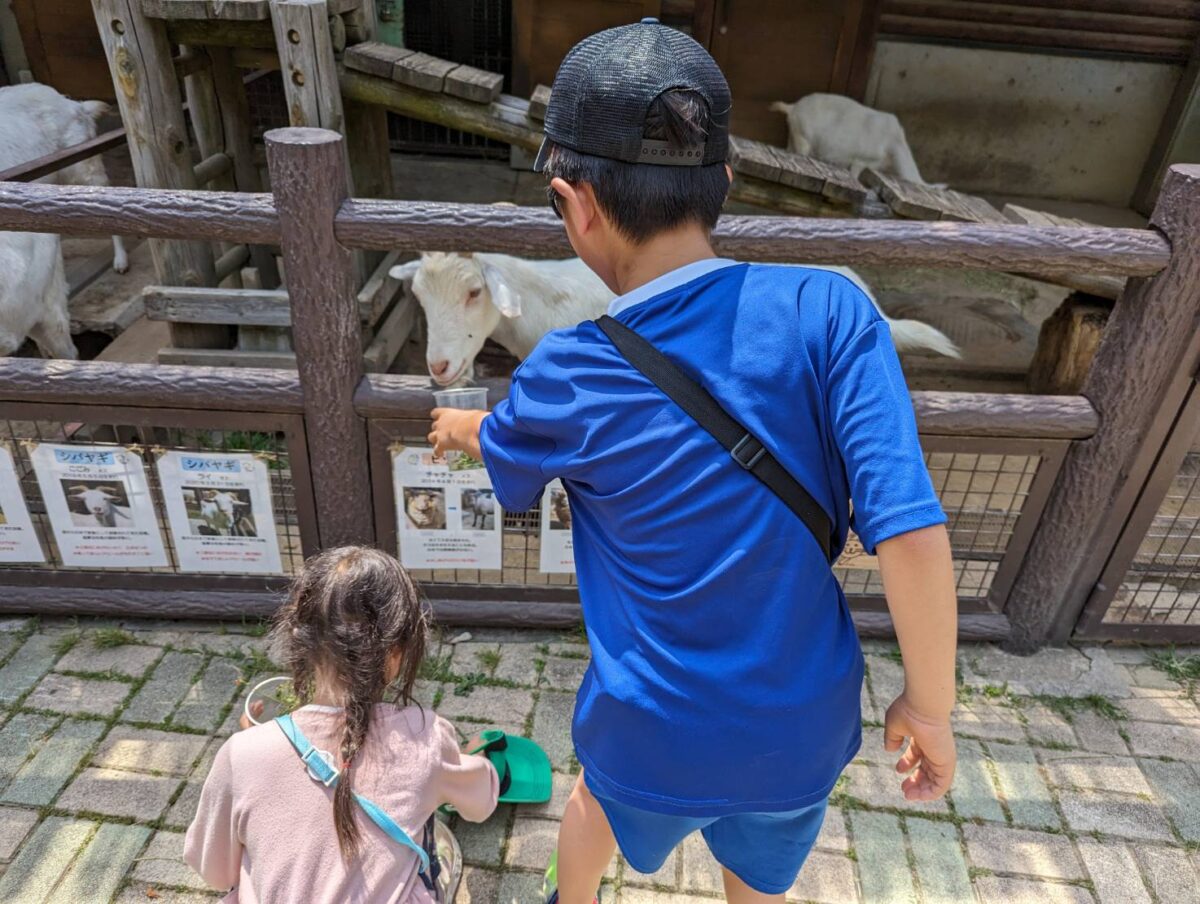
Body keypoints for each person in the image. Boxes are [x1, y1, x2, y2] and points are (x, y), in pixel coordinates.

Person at [428, 19, 958, 904]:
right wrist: (929, 709)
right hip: (800, 726)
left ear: (577, 205)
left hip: (650, 729)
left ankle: (574, 898)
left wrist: (461, 428)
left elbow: (510, 445)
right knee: (758, 875)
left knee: (596, 796)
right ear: (725, 181)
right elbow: (909, 530)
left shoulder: (566, 366)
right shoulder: (830, 311)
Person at [184, 546, 499, 903]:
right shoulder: (423, 735)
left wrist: (257, 748)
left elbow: (215, 872)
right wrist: (467, 759)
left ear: (297, 638)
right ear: (395, 654)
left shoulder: (241, 754)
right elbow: (480, 803)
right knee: (434, 845)